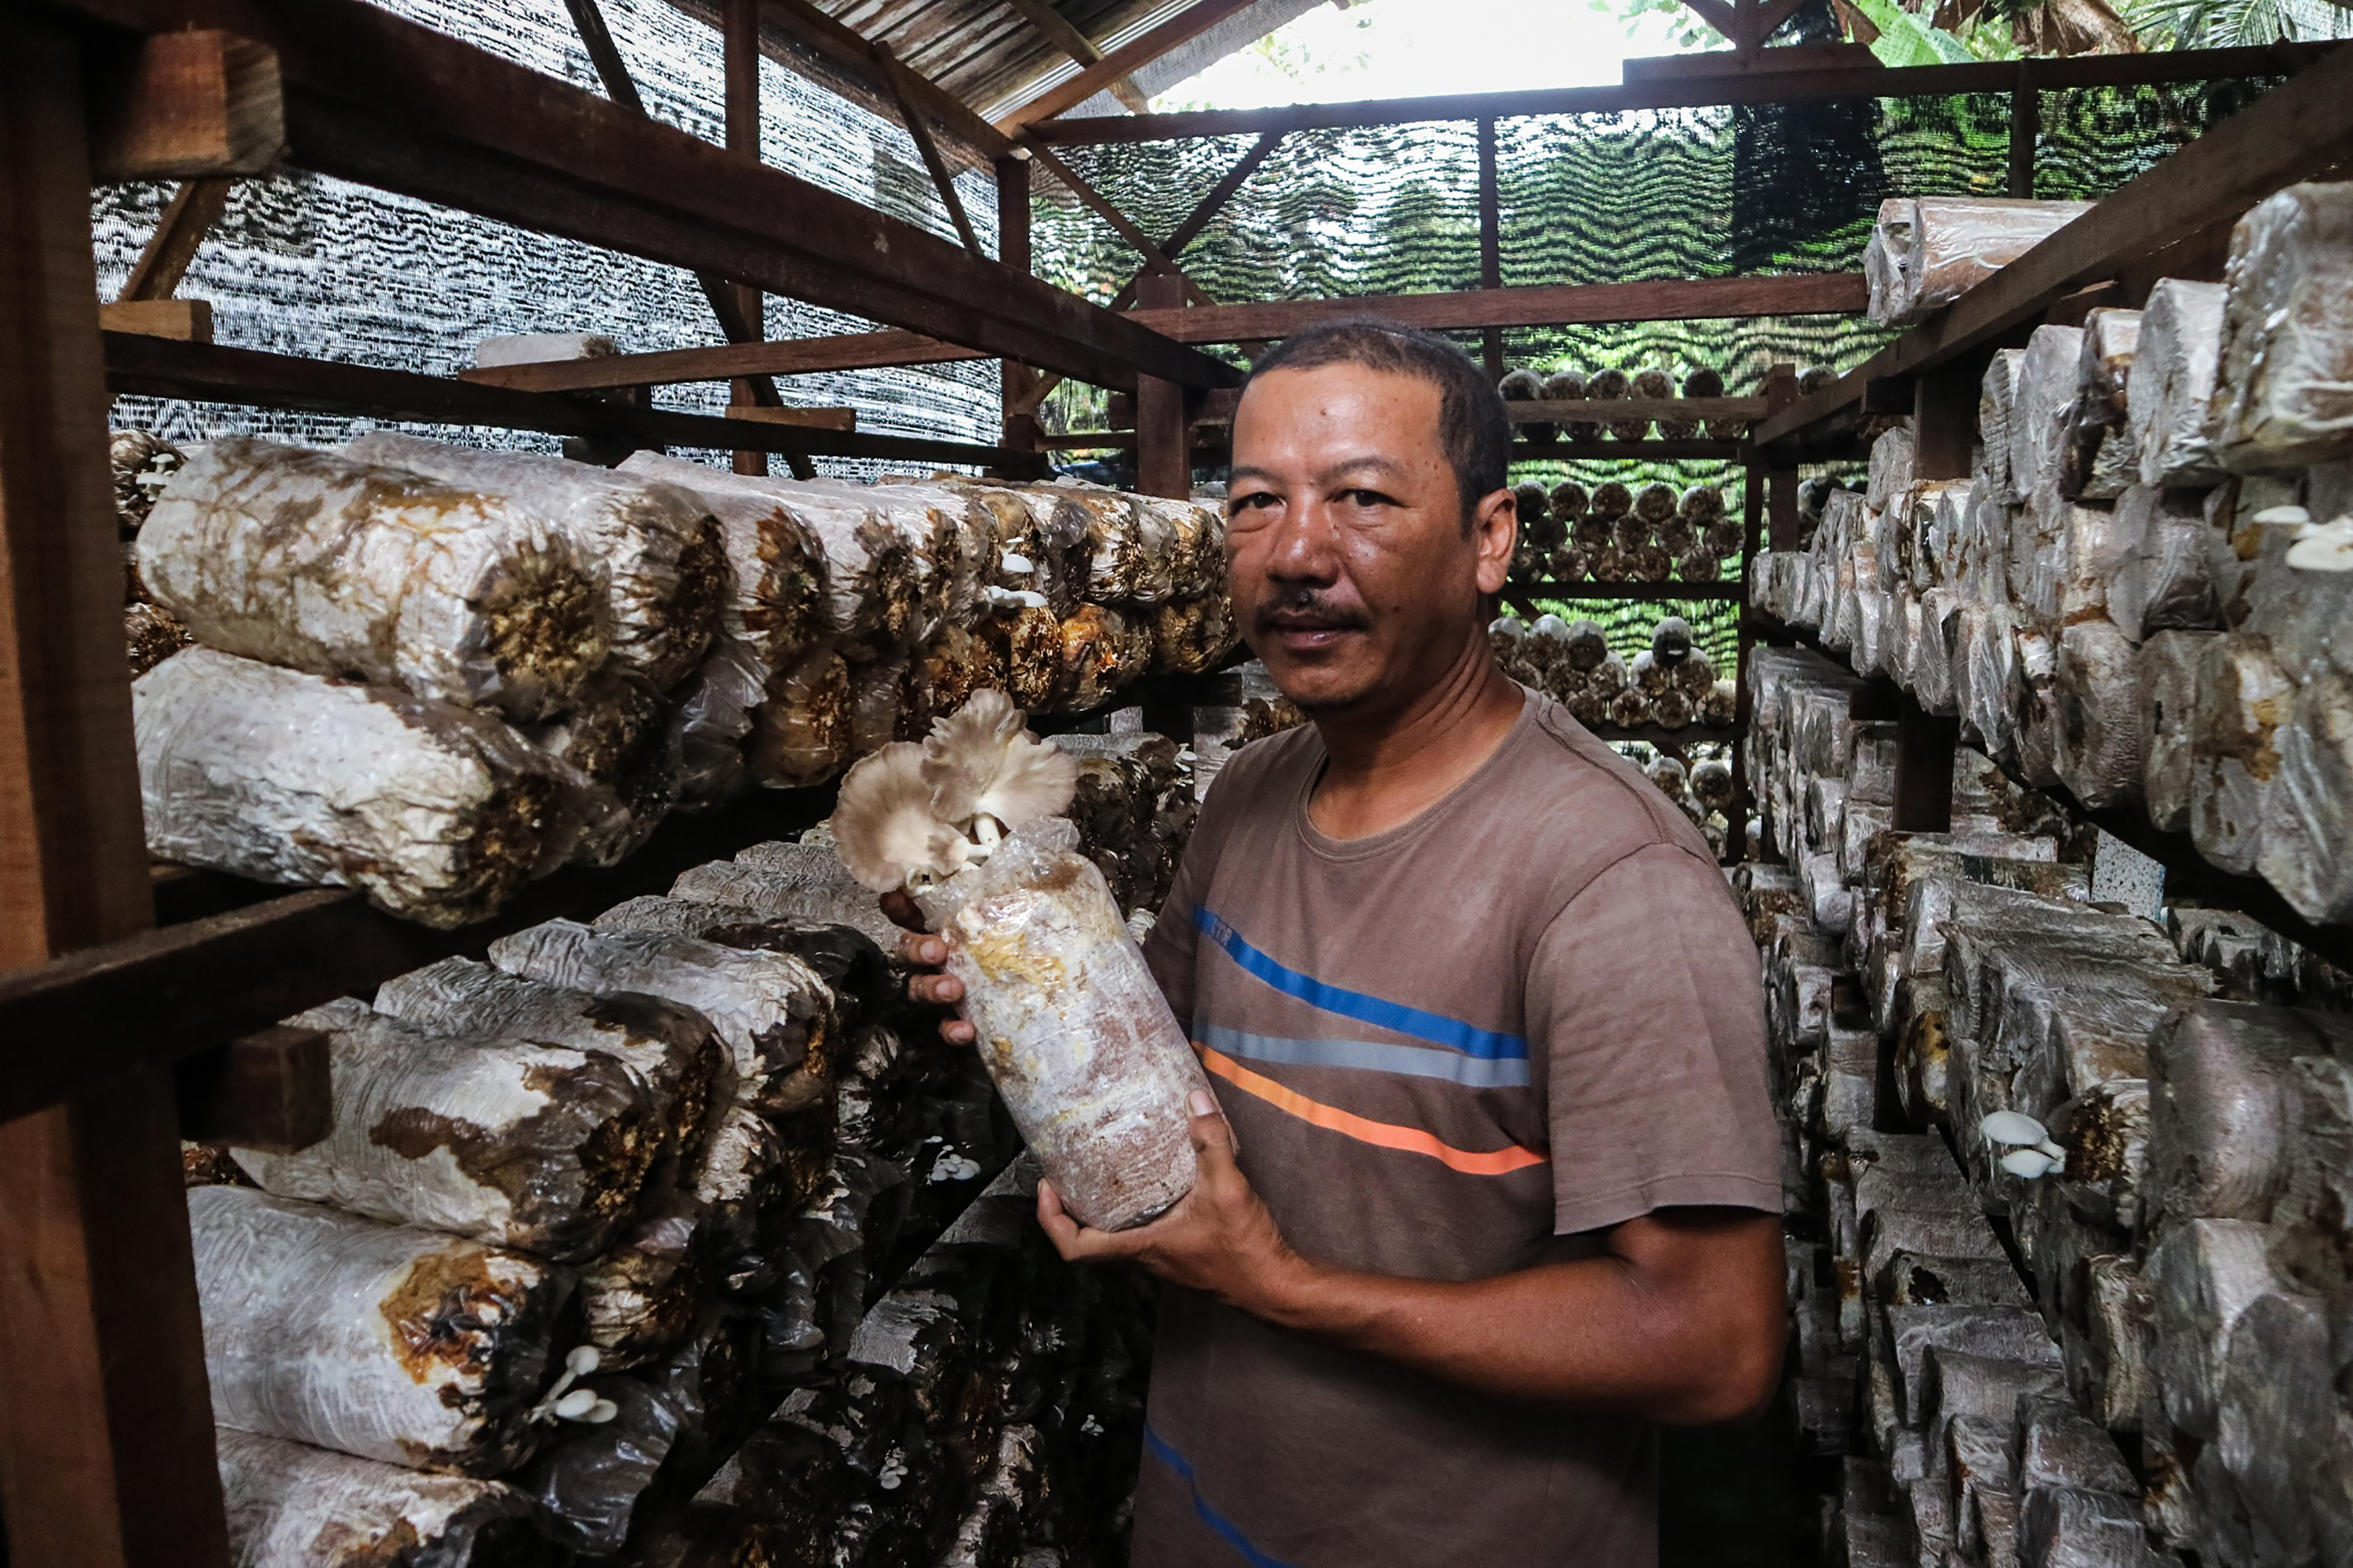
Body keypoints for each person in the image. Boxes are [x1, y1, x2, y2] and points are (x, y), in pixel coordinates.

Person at [893, 318, 1784, 1567]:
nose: (1297, 554)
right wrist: (1032, 991)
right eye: (1255, 504)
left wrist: (1280, 1287)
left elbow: (1713, 1345)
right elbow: (1165, 1093)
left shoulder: (1612, 883)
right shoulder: (1251, 793)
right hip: (1207, 1517)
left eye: (1361, 498)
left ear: (1489, 540)